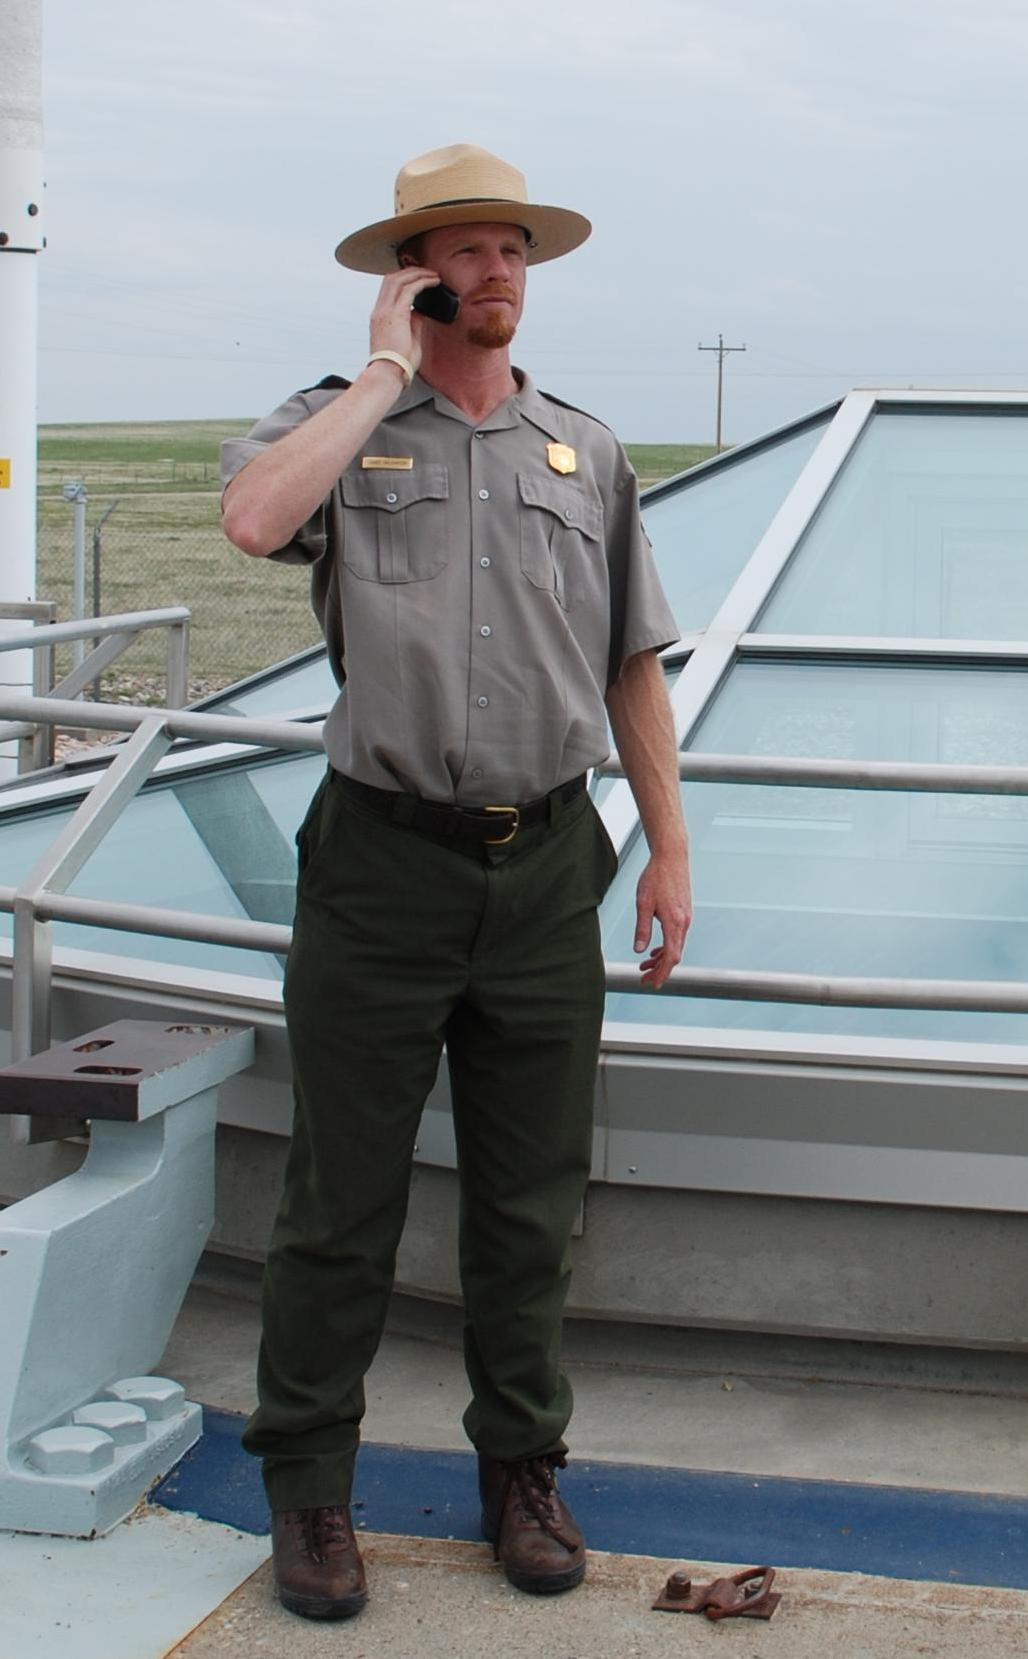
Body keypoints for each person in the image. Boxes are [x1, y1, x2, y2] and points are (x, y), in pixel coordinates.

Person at [220, 143, 691, 1621]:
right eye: (464, 254)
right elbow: (248, 521)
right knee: (338, 1205)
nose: (496, 276)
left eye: (512, 252)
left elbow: (632, 664)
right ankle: (310, 1497)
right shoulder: (338, 427)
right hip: (381, 866)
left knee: (529, 1206)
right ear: (411, 271)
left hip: (549, 866)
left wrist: (670, 844)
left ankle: (523, 1477)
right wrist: (375, 374)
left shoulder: (585, 450)